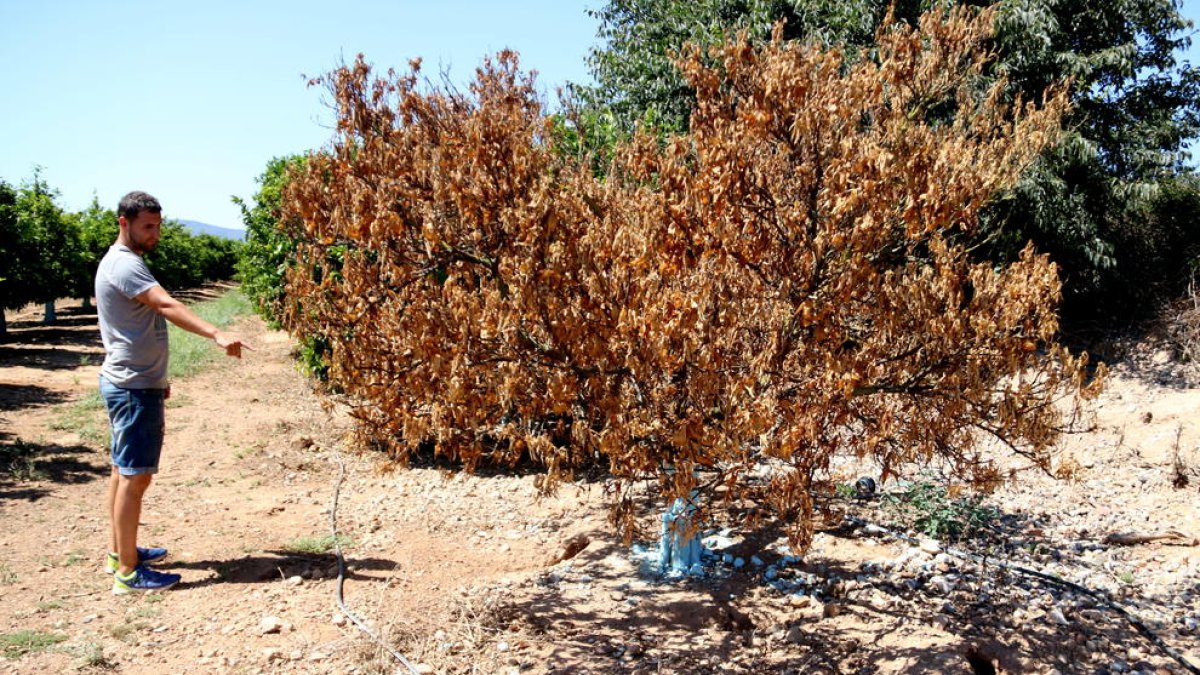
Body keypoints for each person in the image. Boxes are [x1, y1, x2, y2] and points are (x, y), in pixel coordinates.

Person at [95, 191, 252, 594]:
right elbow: (164, 305)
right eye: (148, 226)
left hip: (133, 381)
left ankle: (121, 552)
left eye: (158, 226)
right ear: (123, 223)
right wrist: (217, 333)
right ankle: (128, 574)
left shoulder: (123, 262)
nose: (155, 234)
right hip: (132, 387)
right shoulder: (126, 265)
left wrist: (157, 379)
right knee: (136, 476)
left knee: (122, 470)